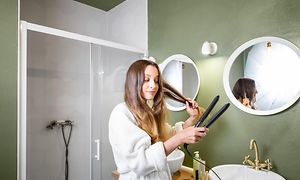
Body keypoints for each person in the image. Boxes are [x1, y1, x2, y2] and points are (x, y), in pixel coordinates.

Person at [108, 59, 209, 179]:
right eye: (146, 79)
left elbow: (168, 135)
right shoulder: (121, 114)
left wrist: (192, 118)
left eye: (156, 80)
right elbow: (141, 163)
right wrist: (181, 137)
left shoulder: (147, 112)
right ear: (133, 81)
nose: (153, 85)